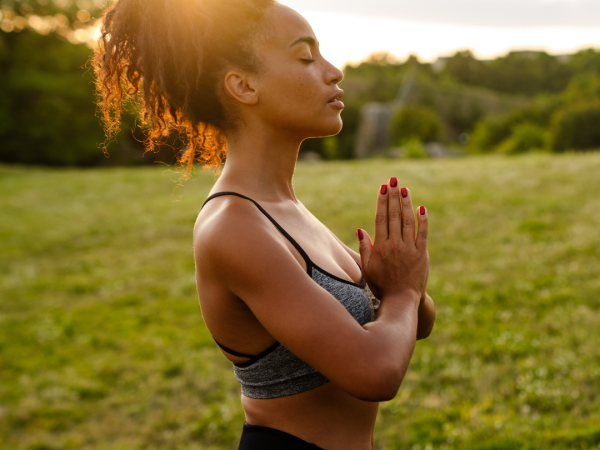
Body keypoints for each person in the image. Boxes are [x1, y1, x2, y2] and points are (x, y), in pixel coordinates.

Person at [93, 0, 435, 448]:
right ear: (243, 85)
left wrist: (397, 285)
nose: (334, 72)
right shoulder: (235, 227)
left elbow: (416, 322)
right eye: (305, 57)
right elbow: (376, 371)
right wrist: (405, 291)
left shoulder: (284, 207)